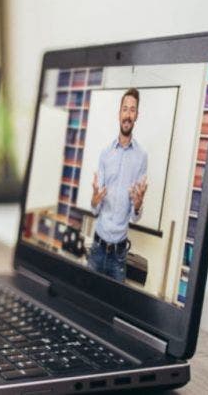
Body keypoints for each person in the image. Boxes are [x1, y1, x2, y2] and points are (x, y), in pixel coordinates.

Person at [88, 88, 149, 282]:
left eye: (132, 110)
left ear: (137, 116)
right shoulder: (105, 154)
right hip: (97, 248)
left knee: (114, 309)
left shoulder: (141, 157)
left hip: (119, 256)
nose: (128, 114)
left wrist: (138, 205)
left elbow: (135, 215)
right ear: (119, 114)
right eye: (125, 109)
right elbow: (95, 209)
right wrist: (94, 200)